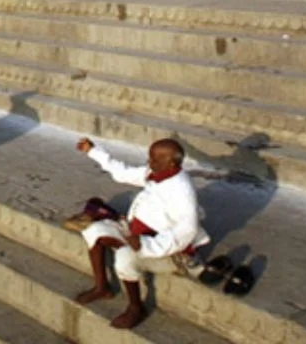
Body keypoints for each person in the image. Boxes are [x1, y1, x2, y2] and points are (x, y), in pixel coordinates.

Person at [74, 137, 209, 329]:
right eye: (150, 158)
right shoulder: (156, 172)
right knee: (94, 231)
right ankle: (102, 288)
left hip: (166, 250)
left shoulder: (182, 190)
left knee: (124, 257)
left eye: (154, 159)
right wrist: (93, 151)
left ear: (171, 163)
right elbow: (123, 172)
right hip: (135, 233)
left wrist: (145, 245)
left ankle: (136, 307)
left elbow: (187, 230)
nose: (149, 163)